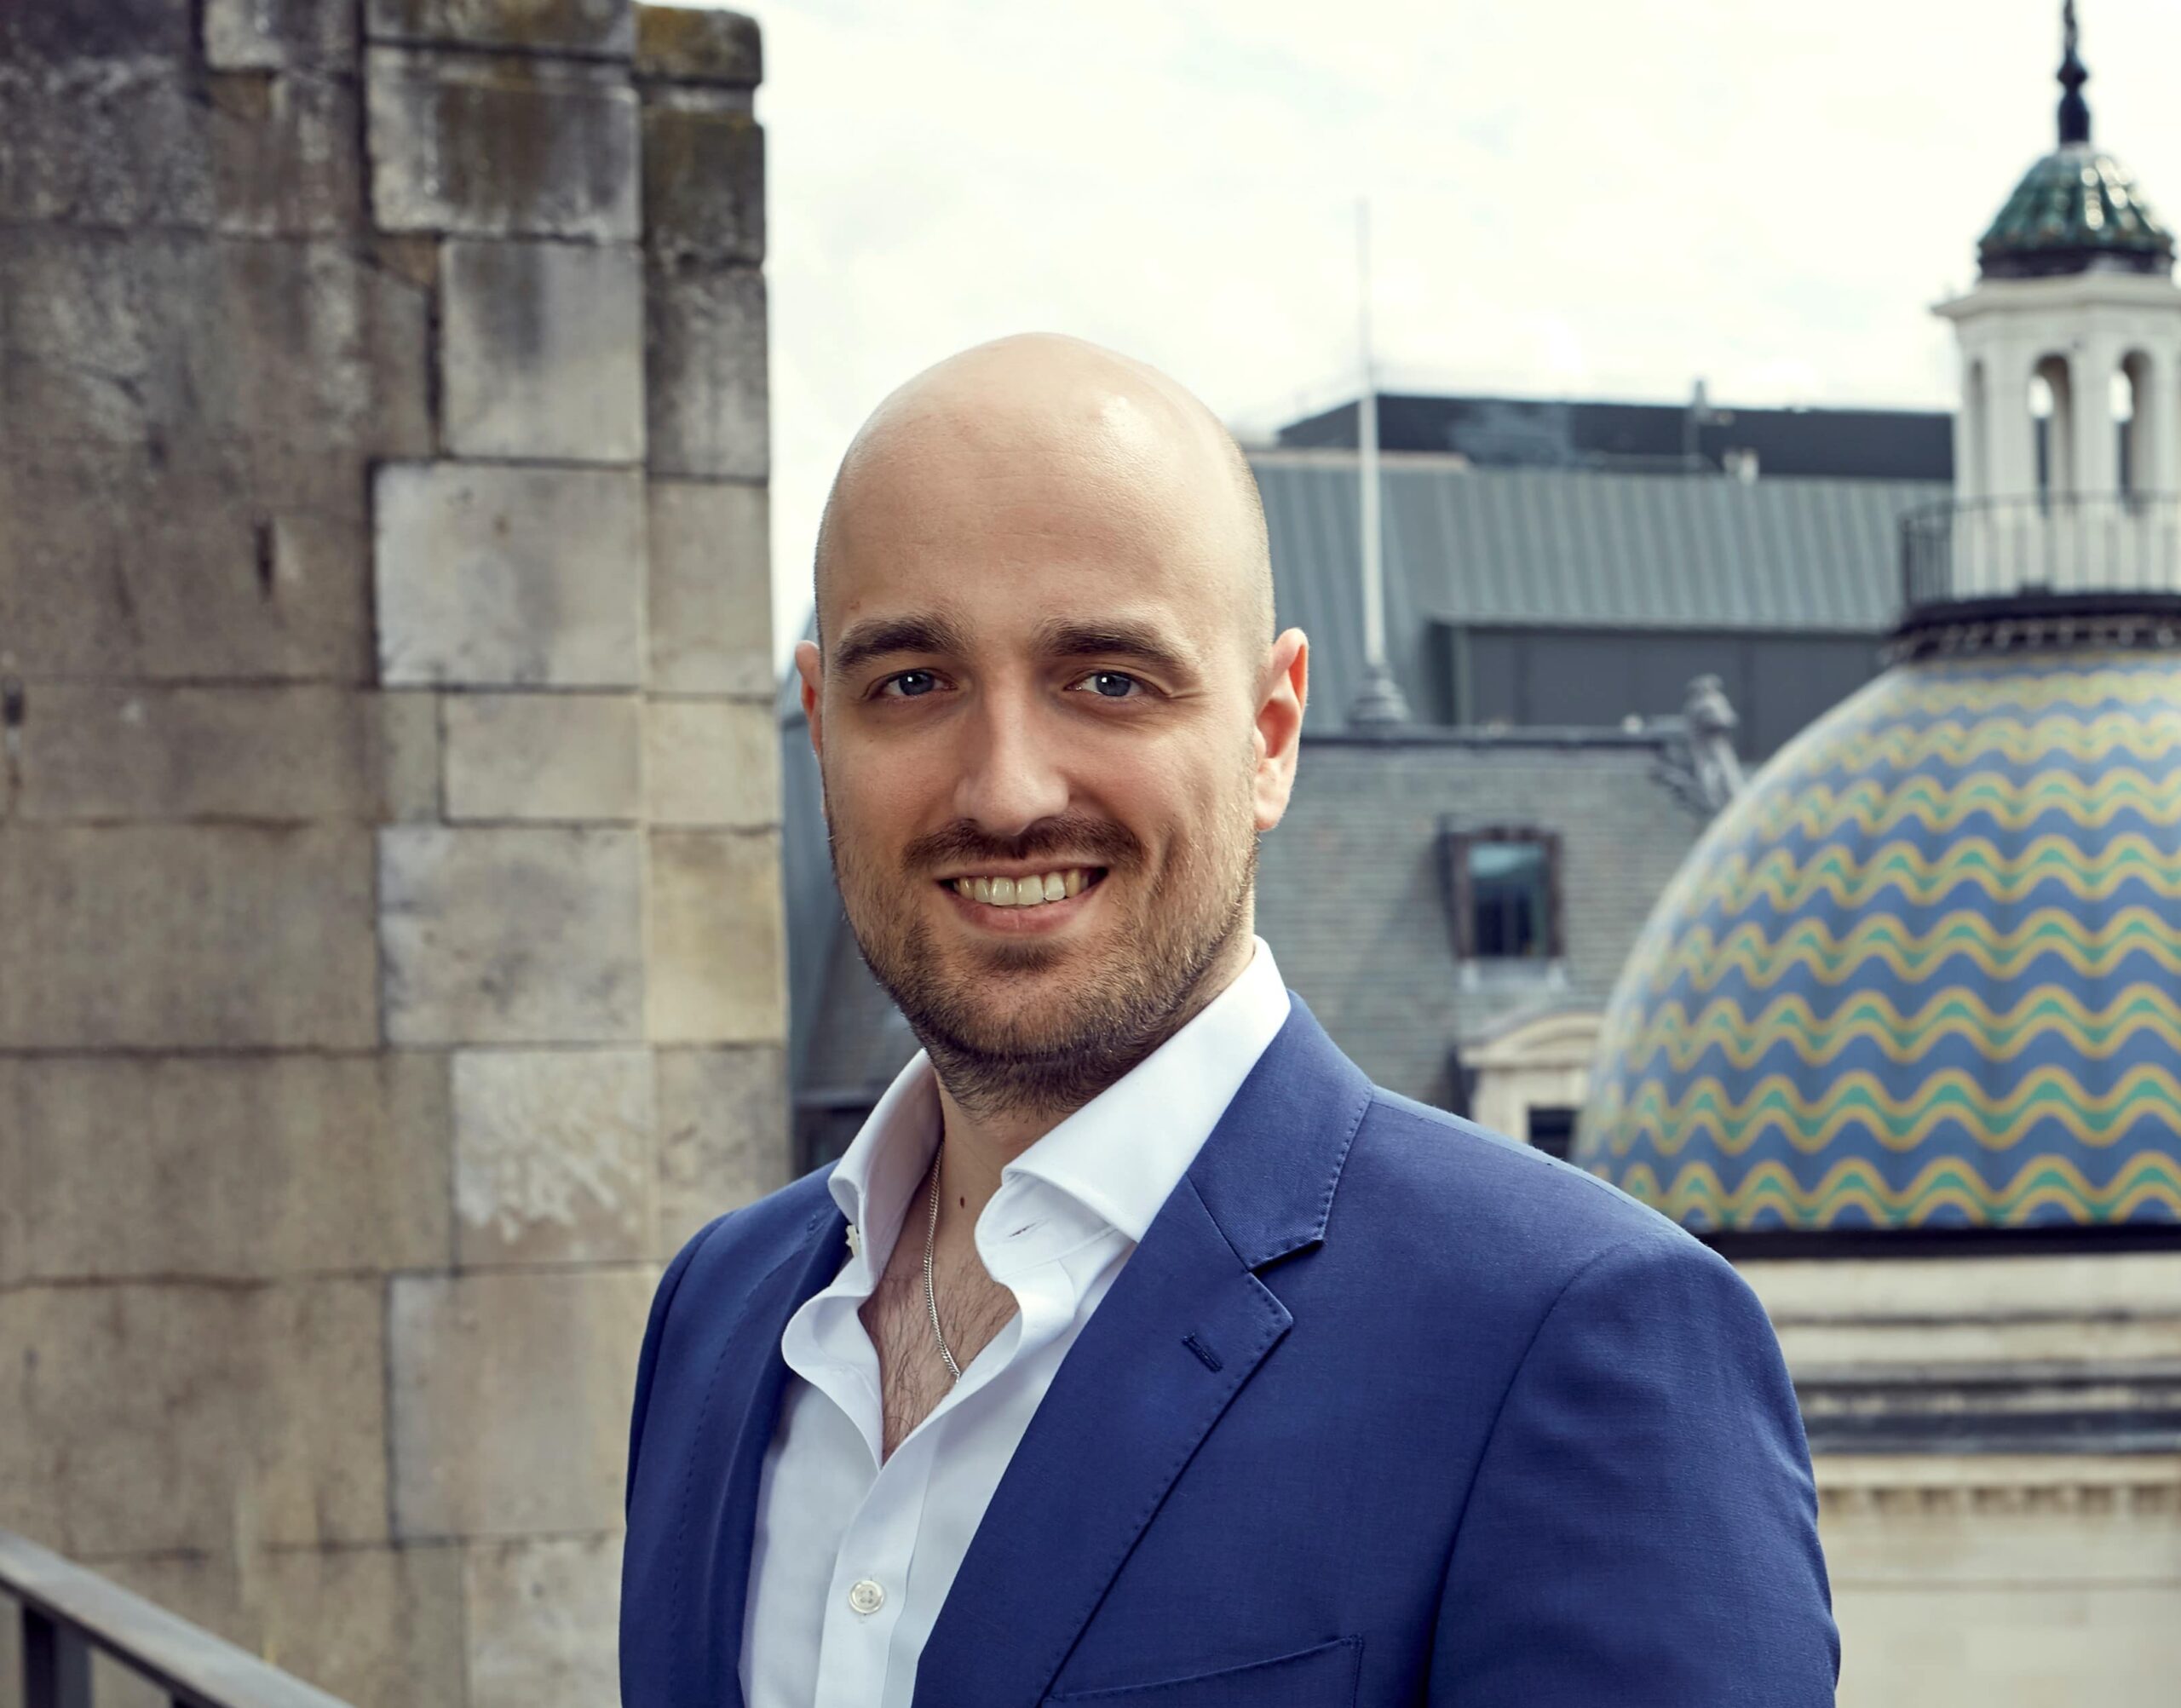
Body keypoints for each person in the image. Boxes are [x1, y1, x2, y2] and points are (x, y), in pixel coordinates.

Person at [619, 333, 1839, 1707]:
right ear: (820, 724)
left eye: (1108, 680)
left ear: (1270, 732)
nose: (1006, 789)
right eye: (912, 681)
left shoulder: (1573, 1339)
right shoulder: (717, 1312)